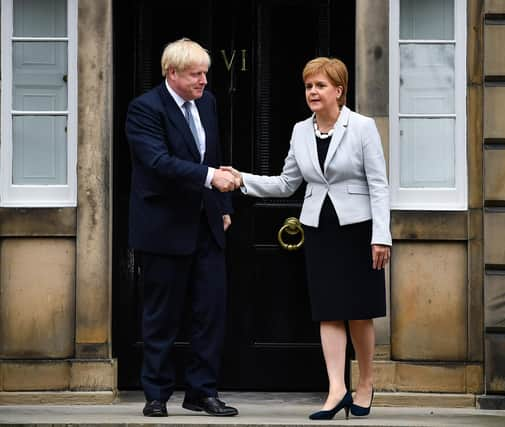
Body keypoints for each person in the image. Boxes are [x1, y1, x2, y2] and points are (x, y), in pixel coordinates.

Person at [223, 57, 391, 420]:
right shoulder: (301, 130)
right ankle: (336, 389)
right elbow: (287, 183)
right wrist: (242, 180)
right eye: (309, 86)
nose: (313, 92)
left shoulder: (362, 127)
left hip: (359, 229)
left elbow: (379, 185)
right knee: (328, 311)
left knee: (360, 313)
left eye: (320, 86)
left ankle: (365, 383)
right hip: (319, 228)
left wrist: (382, 236)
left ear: (339, 91)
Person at [125, 38, 239, 418]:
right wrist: (211, 179)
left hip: (206, 224)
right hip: (163, 227)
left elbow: (215, 155)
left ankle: (201, 393)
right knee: (162, 316)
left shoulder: (207, 103)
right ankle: (156, 395)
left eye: (205, 73)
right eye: (196, 74)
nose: (204, 81)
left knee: (210, 312)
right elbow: (158, 162)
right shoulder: (144, 109)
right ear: (171, 73)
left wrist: (222, 206)